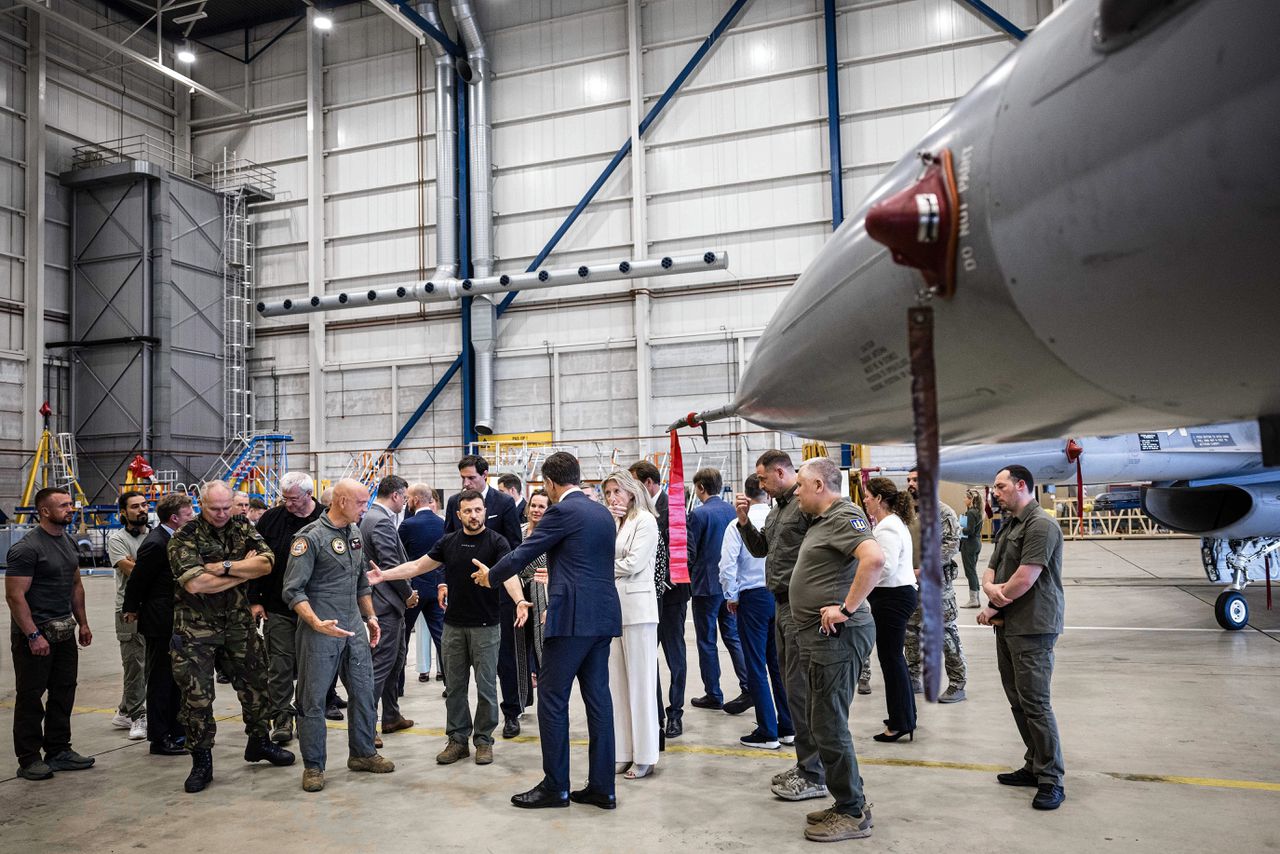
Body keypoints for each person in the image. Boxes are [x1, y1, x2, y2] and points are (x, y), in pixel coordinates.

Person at [470, 451, 621, 810]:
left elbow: (525, 551)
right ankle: (602, 787)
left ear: (551, 484)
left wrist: (490, 576)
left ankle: (556, 786)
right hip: (602, 617)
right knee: (599, 701)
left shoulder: (563, 510)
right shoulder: (600, 510)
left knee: (552, 700)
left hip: (571, 619)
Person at [369, 489, 514, 767]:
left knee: (486, 688)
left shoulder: (497, 542)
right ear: (458, 515)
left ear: (484, 511)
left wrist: (519, 601)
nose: (474, 515)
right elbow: (416, 566)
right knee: (455, 686)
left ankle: (484, 741)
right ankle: (457, 740)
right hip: (454, 627)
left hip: (486, 626)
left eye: (478, 510)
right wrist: (384, 575)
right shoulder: (448, 542)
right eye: (468, 511)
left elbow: (509, 574)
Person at [168, 481, 294, 793]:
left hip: (239, 623)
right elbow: (195, 585)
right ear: (201, 505)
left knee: (256, 684)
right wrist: (242, 570)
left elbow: (267, 564)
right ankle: (201, 760)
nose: (223, 513)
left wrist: (223, 568)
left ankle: (259, 743)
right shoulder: (185, 537)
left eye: (227, 507)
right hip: (196, 628)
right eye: (215, 509)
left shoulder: (242, 526)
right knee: (197, 697)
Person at [789, 458, 884, 843]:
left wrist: (845, 608)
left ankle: (851, 811)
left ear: (816, 485)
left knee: (827, 723)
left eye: (799, 485)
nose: (795, 491)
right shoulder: (824, 521)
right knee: (823, 721)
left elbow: (874, 560)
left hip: (837, 637)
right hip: (821, 637)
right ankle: (851, 799)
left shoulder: (844, 516)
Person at [283, 478, 395, 792]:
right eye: (360, 503)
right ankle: (314, 766)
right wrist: (316, 622)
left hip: (353, 628)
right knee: (313, 700)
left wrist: (370, 616)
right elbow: (293, 591)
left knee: (363, 692)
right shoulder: (309, 538)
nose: (365, 508)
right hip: (320, 631)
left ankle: (362, 753)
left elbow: (361, 583)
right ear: (342, 501)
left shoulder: (355, 534)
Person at [735, 450, 825, 802]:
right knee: (792, 688)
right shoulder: (777, 510)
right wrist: (744, 522)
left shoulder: (805, 507)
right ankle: (806, 765)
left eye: (762, 478)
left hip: (802, 608)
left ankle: (815, 773)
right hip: (780, 606)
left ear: (779, 472)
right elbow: (762, 551)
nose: (760, 485)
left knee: (803, 692)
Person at [978, 465, 1067, 811]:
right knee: (1018, 700)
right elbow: (989, 570)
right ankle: (1034, 764)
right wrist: (991, 591)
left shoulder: (1041, 525)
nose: (995, 493)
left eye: (1000, 487)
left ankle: (1051, 778)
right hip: (1009, 623)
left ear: (1020, 485)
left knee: (1036, 703)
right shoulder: (1011, 525)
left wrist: (995, 599)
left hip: (1033, 626)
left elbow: (1025, 578)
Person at [5, 488, 95, 781]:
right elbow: (15, 597)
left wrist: (82, 622)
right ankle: (29, 758)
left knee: (64, 690)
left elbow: (75, 585)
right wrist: (32, 635)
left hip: (63, 631)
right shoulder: (27, 548)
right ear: (44, 511)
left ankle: (58, 750)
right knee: (31, 696)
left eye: (70, 504)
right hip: (35, 634)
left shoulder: (67, 541)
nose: (71, 509)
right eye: (64, 505)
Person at [444, 455, 526, 735]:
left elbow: (515, 547)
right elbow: (444, 546)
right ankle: (459, 732)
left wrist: (509, 588)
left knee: (503, 660)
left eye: (471, 477)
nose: (466, 483)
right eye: (463, 478)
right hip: (462, 598)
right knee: (459, 673)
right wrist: (444, 584)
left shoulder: (503, 503)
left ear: (485, 475)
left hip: (498, 596)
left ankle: (511, 713)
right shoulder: (456, 503)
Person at [250, 471, 326, 743]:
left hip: (318, 608)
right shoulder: (271, 519)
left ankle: (309, 714)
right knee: (280, 666)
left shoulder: (327, 519)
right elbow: (256, 561)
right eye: (284, 498)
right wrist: (255, 599)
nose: (288, 504)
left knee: (314, 666)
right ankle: (282, 717)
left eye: (293, 499)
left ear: (309, 494)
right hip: (278, 606)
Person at [721, 474, 792, 750]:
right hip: (779, 595)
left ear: (745, 495)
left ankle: (767, 731)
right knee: (778, 664)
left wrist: (731, 595)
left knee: (755, 665)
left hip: (751, 598)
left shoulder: (737, 525)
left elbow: (726, 565)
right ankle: (788, 727)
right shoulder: (779, 519)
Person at [122, 491, 194, 756]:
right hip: (160, 621)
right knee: (161, 680)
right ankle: (159, 737)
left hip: (174, 619)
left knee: (176, 678)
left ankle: (176, 731)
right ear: (175, 518)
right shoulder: (156, 542)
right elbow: (138, 579)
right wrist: (131, 608)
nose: (193, 517)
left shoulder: (174, 538)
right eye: (189, 514)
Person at [601, 470, 660, 780]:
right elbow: (615, 559)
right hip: (613, 609)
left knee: (641, 683)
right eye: (608, 492)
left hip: (639, 610)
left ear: (632, 492)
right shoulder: (613, 524)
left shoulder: (646, 522)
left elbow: (634, 563)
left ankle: (646, 754)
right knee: (617, 686)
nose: (613, 498)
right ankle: (623, 751)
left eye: (617, 492)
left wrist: (601, 568)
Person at [630, 460, 687, 741]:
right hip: (644, 597)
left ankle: (675, 713)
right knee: (646, 658)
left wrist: (670, 578)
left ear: (648, 483)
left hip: (673, 597)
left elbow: (688, 550)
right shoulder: (635, 514)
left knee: (675, 657)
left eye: (633, 484)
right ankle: (655, 716)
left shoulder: (674, 507)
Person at [686, 467, 751, 714]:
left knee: (706, 641)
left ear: (701, 488)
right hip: (730, 586)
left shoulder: (698, 515)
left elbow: (691, 553)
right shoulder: (732, 512)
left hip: (705, 587)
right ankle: (748, 686)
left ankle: (713, 693)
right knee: (733, 637)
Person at [359, 475, 417, 743]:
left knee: (395, 662)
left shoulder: (370, 517)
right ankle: (367, 728)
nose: (405, 502)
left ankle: (391, 716)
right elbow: (390, 568)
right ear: (396, 495)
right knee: (381, 666)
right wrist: (408, 595)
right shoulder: (381, 521)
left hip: (386, 604)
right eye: (404, 497)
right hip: (386, 604)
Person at [904, 467, 968, 703]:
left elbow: (951, 545)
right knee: (910, 633)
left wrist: (925, 568)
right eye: (909, 479)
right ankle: (912, 678)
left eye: (917, 480)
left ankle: (957, 684)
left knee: (945, 634)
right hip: (910, 585)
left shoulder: (943, 513)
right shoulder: (906, 513)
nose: (911, 483)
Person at [862, 477, 918, 742]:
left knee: (891, 659)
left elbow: (885, 567)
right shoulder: (891, 524)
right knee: (895, 658)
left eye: (868, 497)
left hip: (892, 597)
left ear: (880, 500)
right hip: (895, 595)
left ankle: (899, 722)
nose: (865, 501)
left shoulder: (887, 528)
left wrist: (861, 583)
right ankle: (905, 715)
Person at [107, 490, 150, 741]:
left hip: (153, 609)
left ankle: (124, 710)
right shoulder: (117, 539)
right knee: (134, 665)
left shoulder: (155, 536)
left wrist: (141, 566)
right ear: (123, 512)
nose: (141, 510)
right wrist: (146, 567)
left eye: (144, 505)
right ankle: (137, 716)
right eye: (135, 506)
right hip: (127, 611)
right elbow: (130, 571)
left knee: (148, 665)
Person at [399, 482, 446, 685]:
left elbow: (400, 556)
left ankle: (397, 686)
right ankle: (450, 684)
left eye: (408, 498)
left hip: (413, 591)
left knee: (402, 638)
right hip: (437, 589)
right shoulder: (443, 523)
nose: (407, 501)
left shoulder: (408, 525)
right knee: (442, 639)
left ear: (416, 500)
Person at [513, 490, 552, 702]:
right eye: (533, 506)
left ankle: (547, 698)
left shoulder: (552, 533)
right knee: (519, 646)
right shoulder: (518, 531)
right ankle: (522, 699)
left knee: (541, 646)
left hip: (542, 592)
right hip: (518, 592)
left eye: (541, 507)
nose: (536, 510)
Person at [959, 489, 984, 608]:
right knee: (972, 571)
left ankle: (973, 600)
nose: (964, 499)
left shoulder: (971, 513)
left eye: (965, 497)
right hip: (976, 542)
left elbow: (969, 530)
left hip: (969, 543)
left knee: (970, 572)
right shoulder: (977, 512)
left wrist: (958, 529)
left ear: (971, 499)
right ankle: (976, 598)